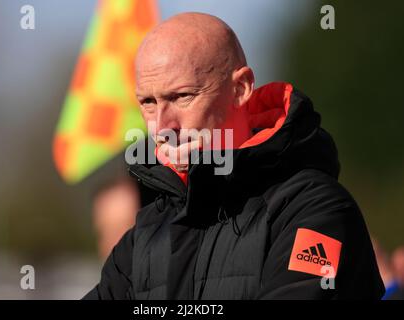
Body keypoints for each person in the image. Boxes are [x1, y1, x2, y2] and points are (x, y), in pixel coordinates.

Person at [83, 12, 384, 299]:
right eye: (148, 102)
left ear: (240, 88)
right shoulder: (144, 234)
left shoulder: (315, 209)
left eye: (182, 96)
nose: (162, 126)